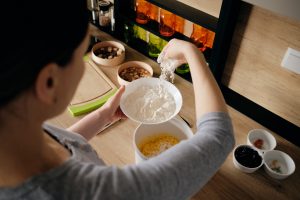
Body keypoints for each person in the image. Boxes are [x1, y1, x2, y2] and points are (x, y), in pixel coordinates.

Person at [0, 1, 234, 199]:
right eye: (81, 55)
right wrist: (193, 54)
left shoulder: (17, 129)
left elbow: (62, 143)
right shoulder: (100, 191)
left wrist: (102, 116)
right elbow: (218, 136)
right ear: (49, 82)